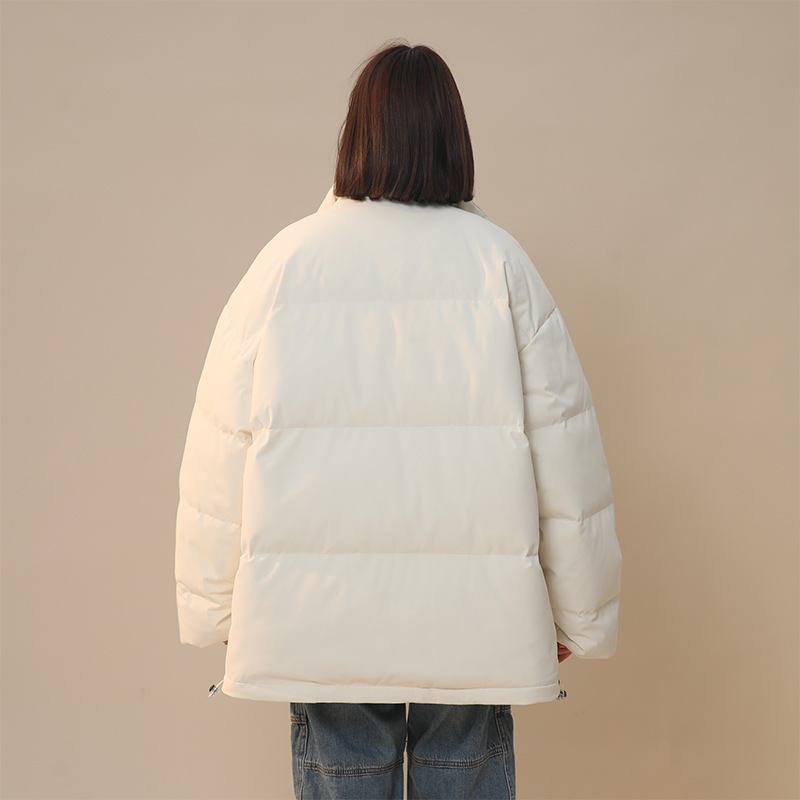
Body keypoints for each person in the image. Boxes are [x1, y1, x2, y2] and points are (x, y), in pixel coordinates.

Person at [175, 39, 622, 800]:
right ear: (454, 140)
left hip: (320, 612)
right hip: (475, 614)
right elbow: (566, 452)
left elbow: (220, 447)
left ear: (356, 136)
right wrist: (579, 616)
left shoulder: (285, 264)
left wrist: (215, 607)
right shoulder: (501, 266)